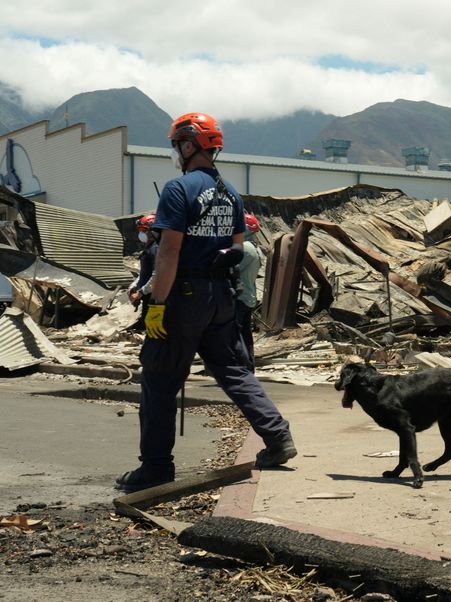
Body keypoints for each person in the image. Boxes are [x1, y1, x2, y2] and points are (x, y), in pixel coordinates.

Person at [115, 112, 297, 493]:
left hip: (182, 298)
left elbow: (168, 253)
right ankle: (278, 438)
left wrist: (158, 303)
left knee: (160, 380)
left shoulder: (178, 190)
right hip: (220, 298)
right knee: (234, 371)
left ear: (186, 145)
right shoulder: (230, 193)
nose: (175, 153)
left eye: (175, 146)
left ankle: (156, 468)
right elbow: (236, 247)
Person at [235, 213, 265, 371]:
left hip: (239, 298)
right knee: (245, 334)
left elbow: (230, 268)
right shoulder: (254, 248)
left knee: (235, 334)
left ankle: (240, 368)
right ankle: (248, 367)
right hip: (248, 296)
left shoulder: (244, 248)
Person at [127, 213, 159, 308]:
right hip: (147, 296)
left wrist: (141, 292)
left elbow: (157, 275)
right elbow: (145, 273)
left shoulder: (156, 249)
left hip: (154, 298)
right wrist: (133, 286)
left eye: (144, 230)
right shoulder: (149, 248)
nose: (141, 234)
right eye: (140, 230)